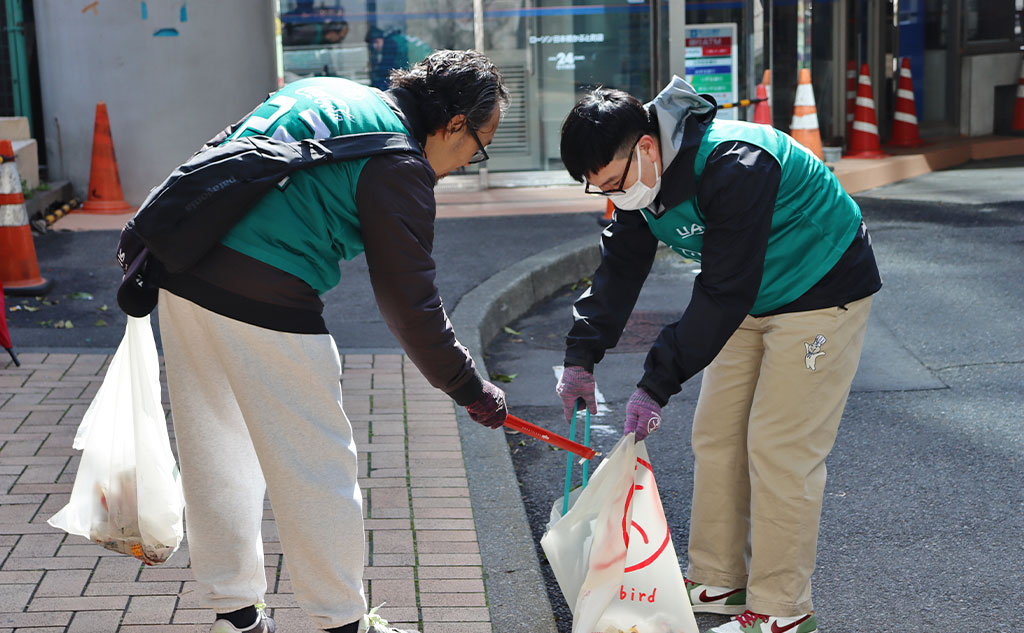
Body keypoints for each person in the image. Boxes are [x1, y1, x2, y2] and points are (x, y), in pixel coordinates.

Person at [154, 50, 510, 633]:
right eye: (480, 144)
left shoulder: (328, 93)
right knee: (316, 467)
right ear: (452, 125)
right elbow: (410, 307)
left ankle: (234, 616)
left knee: (215, 453)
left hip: (181, 271)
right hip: (264, 293)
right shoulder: (400, 161)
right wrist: (470, 388)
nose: (471, 161)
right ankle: (341, 621)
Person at [555, 77, 881, 633]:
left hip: (822, 289)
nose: (613, 194)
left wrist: (655, 382)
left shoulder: (736, 163)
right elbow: (621, 269)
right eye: (599, 188)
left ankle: (781, 611)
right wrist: (581, 355)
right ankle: (718, 579)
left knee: (780, 448)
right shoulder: (640, 183)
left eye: (613, 180)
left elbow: (723, 288)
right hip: (747, 295)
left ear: (647, 146)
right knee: (717, 433)